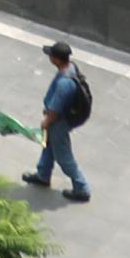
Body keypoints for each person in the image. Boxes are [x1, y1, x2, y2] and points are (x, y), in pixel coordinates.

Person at [24, 40, 92, 204]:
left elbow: (55, 111)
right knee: (48, 147)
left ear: (57, 59)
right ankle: (43, 175)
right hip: (61, 118)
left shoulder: (64, 84)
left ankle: (82, 188)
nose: (50, 58)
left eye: (51, 56)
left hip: (59, 122)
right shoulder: (71, 68)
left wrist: (46, 122)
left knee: (63, 156)